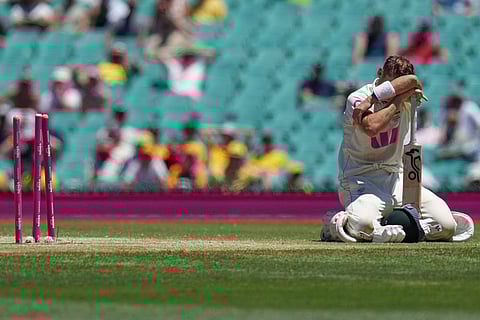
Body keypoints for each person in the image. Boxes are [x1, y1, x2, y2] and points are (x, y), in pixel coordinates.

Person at [321, 55, 474, 243]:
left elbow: (413, 82)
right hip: (361, 179)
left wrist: (413, 190)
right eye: (393, 86)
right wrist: (397, 100)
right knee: (363, 224)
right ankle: (335, 225)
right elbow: (371, 127)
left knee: (447, 226)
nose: (398, 93)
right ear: (379, 75)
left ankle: (389, 227)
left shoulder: (409, 102)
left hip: (396, 178)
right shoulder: (357, 98)